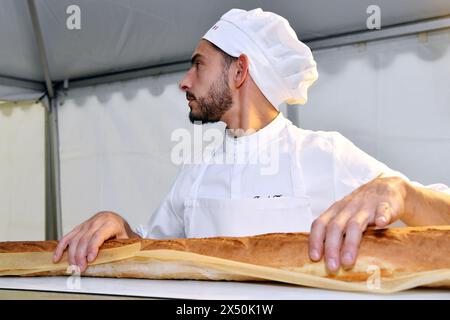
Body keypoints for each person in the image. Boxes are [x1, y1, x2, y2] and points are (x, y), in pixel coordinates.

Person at [53, 8, 450, 274]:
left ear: (239, 70)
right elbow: (151, 250)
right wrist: (118, 224)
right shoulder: (195, 174)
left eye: (198, 65)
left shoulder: (323, 154)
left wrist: (402, 192)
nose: (184, 81)